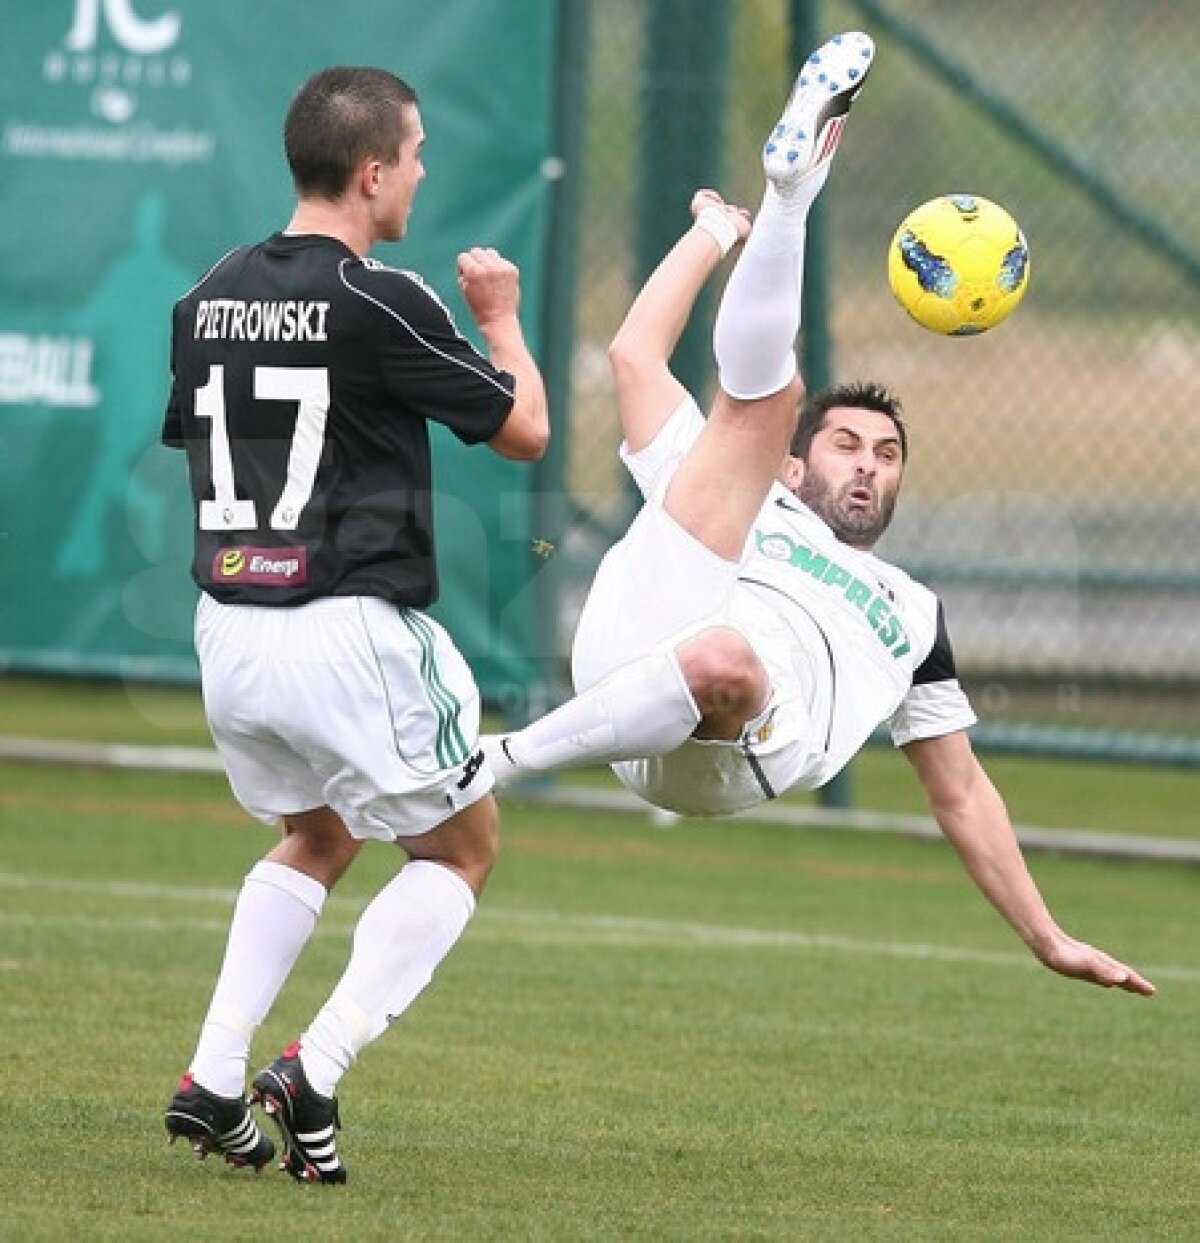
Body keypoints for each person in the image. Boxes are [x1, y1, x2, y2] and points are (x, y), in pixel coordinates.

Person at [484, 32, 1155, 999]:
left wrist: (1048, 935)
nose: (869, 466)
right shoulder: (758, 491)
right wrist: (717, 229)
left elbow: (959, 788)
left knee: (723, 653)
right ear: (802, 464)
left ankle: (493, 760)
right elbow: (635, 355)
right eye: (846, 444)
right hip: (628, 662)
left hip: (736, 742)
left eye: (888, 456)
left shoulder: (911, 613)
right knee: (753, 408)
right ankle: (790, 193)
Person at [161, 66, 549, 1183]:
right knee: (462, 850)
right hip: (344, 626)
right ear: (372, 172)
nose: (421, 173)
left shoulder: (207, 291)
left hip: (229, 626)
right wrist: (501, 319)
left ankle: (214, 1075)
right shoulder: (381, 292)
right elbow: (523, 428)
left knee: (318, 837)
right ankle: (313, 1065)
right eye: (415, 155)